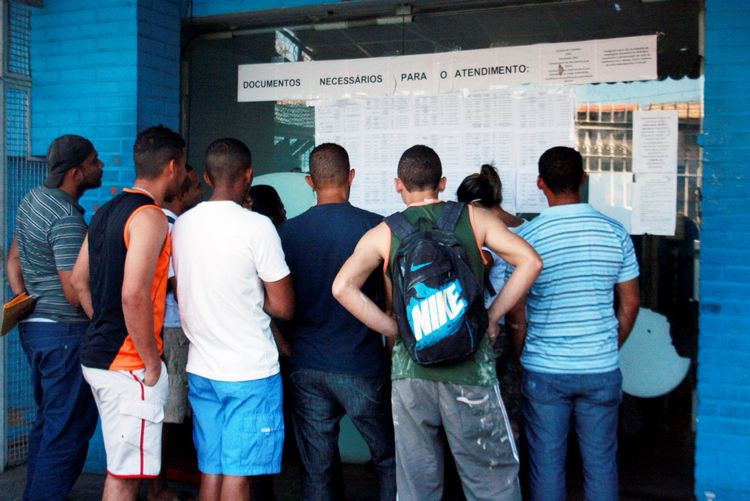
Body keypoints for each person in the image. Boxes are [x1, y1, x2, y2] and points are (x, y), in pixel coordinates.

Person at [332, 145, 542, 501]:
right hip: (470, 370)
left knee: (417, 485)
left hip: (411, 370)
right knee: (491, 482)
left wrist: (394, 329)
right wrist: (492, 316)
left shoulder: (385, 232)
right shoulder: (474, 220)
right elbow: (530, 262)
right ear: (442, 183)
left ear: (398, 184)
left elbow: (342, 287)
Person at [505, 146, 640, 501]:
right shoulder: (615, 233)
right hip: (600, 366)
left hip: (545, 369)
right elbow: (630, 302)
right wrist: (609, 343)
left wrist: (522, 356)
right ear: (583, 179)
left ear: (540, 184)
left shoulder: (526, 240)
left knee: (547, 464)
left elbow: (516, 313)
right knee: (601, 464)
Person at [171, 138, 294, 501]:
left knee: (212, 469)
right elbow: (284, 306)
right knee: (240, 476)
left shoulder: (183, 225)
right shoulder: (257, 227)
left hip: (202, 368)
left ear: (207, 177)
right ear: (249, 176)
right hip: (249, 373)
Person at [71, 125, 187, 501]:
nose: (185, 177)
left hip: (99, 359)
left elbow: (77, 280)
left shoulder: (105, 211)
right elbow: (133, 295)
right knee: (125, 479)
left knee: (121, 472)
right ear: (172, 166)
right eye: (184, 168)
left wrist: (104, 324)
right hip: (130, 367)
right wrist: (152, 364)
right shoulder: (151, 217)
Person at [279, 143, 396, 501]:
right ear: (351, 177)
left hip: (307, 364)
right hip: (363, 363)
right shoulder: (377, 228)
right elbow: (392, 301)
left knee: (318, 466)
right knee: (390, 459)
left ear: (310, 182)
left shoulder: (286, 233)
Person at [7, 135, 102, 501]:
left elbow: (13, 259)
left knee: (50, 424)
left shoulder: (32, 200)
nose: (101, 167)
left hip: (36, 330)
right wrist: (104, 322)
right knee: (67, 433)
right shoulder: (65, 219)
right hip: (64, 335)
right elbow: (72, 291)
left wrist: (22, 298)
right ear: (76, 172)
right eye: (94, 162)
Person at [456, 163, 527, 438]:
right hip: (519, 326)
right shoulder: (526, 228)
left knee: (474, 410)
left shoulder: (478, 233)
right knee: (510, 409)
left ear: (473, 205)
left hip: (486, 327)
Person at [148, 164, 202, 501]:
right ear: (181, 193)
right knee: (169, 412)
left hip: (166, 325)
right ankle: (157, 486)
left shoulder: (162, 222)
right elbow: (175, 284)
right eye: (195, 187)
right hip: (171, 326)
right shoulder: (171, 226)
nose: (200, 194)